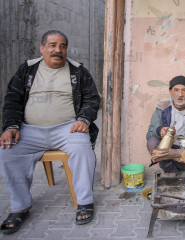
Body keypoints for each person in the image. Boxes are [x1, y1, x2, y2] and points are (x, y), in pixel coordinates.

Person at [0, 30, 100, 234]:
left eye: (62, 46)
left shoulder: (78, 71)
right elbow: (12, 99)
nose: (58, 50)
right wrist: (10, 126)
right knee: (7, 151)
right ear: (42, 48)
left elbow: (92, 98)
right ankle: (20, 206)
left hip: (67, 128)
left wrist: (84, 119)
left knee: (83, 149)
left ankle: (85, 201)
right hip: (29, 130)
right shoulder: (27, 70)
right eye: (53, 45)